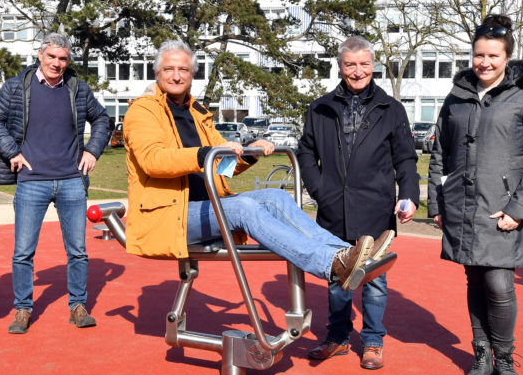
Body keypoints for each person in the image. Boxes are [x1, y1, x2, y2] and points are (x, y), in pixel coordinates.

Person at [123, 40, 390, 291]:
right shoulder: (144, 110)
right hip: (167, 216)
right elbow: (152, 161)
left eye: (183, 69)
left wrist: (249, 153)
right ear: (157, 72)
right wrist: (204, 153)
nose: (177, 76)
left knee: (275, 197)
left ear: (193, 74)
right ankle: (329, 263)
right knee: (244, 207)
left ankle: (345, 254)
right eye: (169, 69)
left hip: (206, 208)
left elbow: (221, 166)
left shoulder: (197, 113)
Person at [427, 14, 523, 375]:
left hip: (502, 210)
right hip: (462, 206)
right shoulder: (456, 98)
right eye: (479, 55)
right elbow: (440, 153)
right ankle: (481, 356)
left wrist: (519, 209)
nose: (484, 62)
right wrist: (436, 202)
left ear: (508, 58)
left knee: (499, 285)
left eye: (493, 56)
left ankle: (505, 358)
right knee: (475, 281)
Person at [297, 36, 420, 370]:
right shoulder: (320, 107)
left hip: (376, 206)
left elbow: (406, 159)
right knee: (338, 277)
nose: (358, 71)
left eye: (364, 64)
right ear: (340, 66)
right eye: (350, 64)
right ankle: (337, 338)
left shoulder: (391, 109)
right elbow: (306, 151)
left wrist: (408, 194)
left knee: (375, 280)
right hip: (333, 205)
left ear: (373, 65)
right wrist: (319, 189)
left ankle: (373, 341)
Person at [0, 33, 109, 334]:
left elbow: (102, 119)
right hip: (31, 182)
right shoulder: (17, 86)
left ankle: (78, 306)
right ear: (40, 54)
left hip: (71, 181)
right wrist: (11, 151)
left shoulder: (77, 88)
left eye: (63, 58)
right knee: (23, 252)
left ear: (68, 60)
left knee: (77, 250)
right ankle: (22, 310)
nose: (57, 63)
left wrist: (93, 150)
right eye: (51, 56)